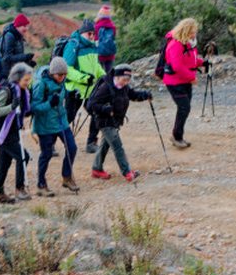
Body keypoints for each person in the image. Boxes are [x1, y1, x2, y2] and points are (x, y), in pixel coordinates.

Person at [87, 64, 152, 182]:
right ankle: (127, 172)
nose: (126, 82)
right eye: (124, 79)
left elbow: (133, 95)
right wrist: (105, 109)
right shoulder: (106, 87)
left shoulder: (124, 87)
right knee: (117, 146)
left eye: (128, 80)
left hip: (115, 121)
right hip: (104, 121)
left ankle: (96, 169)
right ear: (116, 77)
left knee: (105, 145)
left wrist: (145, 95)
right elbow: (92, 105)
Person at [32, 57, 79, 196]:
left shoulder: (62, 81)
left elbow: (61, 99)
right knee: (46, 154)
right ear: (52, 73)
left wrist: (71, 95)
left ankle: (67, 177)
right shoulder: (41, 84)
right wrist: (49, 104)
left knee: (72, 148)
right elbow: (34, 107)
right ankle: (41, 185)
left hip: (61, 121)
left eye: (64, 74)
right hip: (45, 125)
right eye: (60, 75)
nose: (62, 77)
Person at [0, 62, 34, 203]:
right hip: (2, 132)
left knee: (4, 161)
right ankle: (19, 189)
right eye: (25, 80)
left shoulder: (23, 92)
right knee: (23, 157)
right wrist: (11, 107)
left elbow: (22, 111)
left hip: (12, 131)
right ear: (17, 78)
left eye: (29, 80)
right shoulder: (6, 91)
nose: (27, 83)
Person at [161, 18, 205, 150]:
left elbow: (190, 60)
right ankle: (177, 137)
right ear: (185, 31)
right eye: (192, 32)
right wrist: (192, 77)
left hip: (184, 81)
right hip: (174, 82)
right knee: (184, 107)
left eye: (195, 32)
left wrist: (203, 63)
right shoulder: (175, 44)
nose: (194, 34)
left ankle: (177, 135)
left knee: (184, 108)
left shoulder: (188, 44)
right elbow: (177, 66)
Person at [63, 19, 105, 154]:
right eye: (89, 34)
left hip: (90, 89)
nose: (92, 36)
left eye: (93, 34)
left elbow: (96, 66)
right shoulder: (73, 45)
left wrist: (105, 77)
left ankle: (91, 143)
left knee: (97, 113)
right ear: (82, 33)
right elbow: (67, 69)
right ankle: (49, 143)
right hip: (74, 90)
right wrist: (84, 78)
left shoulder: (93, 47)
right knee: (68, 117)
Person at [0, 14, 34, 82]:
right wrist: (25, 57)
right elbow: (7, 57)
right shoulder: (10, 36)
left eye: (27, 26)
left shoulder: (18, 36)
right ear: (18, 26)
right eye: (24, 26)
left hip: (14, 72)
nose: (26, 28)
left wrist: (28, 62)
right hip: (6, 74)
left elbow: (16, 54)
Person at [94, 4, 117, 76]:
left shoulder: (96, 26)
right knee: (109, 73)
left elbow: (94, 39)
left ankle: (101, 83)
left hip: (99, 53)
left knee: (99, 74)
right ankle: (109, 82)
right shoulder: (112, 27)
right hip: (110, 54)